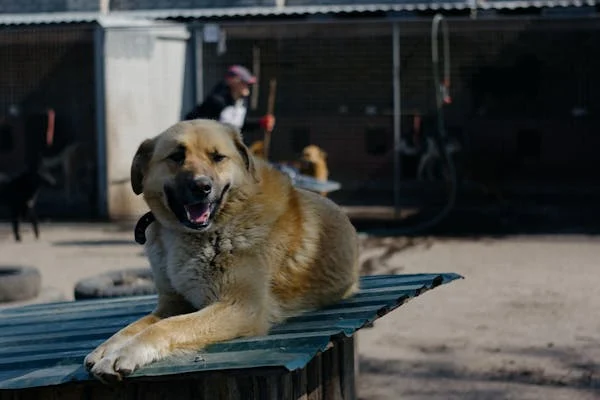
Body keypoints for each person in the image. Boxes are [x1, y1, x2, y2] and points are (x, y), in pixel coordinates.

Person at [185, 65, 275, 134]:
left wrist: (260, 123)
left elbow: (238, 125)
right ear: (232, 82)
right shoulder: (217, 101)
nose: (246, 86)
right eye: (243, 82)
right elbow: (193, 120)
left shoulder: (242, 102)